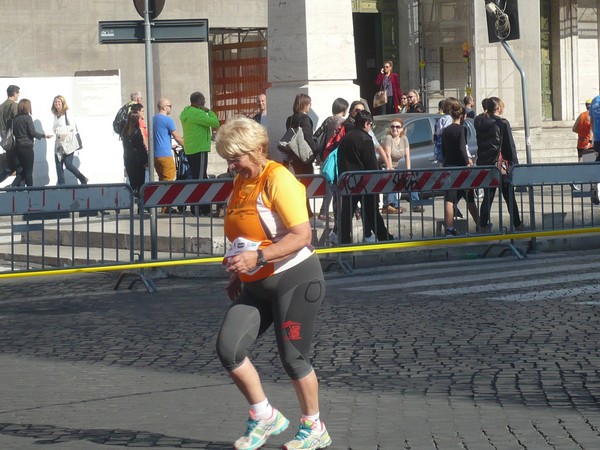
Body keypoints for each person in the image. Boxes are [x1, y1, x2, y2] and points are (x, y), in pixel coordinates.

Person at [214, 116, 332, 450]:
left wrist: (259, 259)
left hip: (295, 278)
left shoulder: (277, 178)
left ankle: (314, 427)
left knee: (294, 358)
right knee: (229, 348)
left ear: (257, 150)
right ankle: (264, 415)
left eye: (235, 158)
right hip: (256, 283)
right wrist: (240, 269)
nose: (232, 165)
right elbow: (248, 234)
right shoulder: (241, 181)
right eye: (228, 159)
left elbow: (303, 235)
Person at [337, 110, 393, 244]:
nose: (371, 128)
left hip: (348, 181)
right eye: (371, 125)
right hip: (365, 182)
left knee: (346, 213)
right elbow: (371, 164)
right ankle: (384, 237)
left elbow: (340, 159)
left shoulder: (346, 138)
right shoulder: (366, 139)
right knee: (372, 211)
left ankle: (344, 241)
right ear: (367, 124)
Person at [475, 97, 522, 232]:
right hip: (500, 165)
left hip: (484, 163)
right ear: (499, 108)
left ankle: (483, 225)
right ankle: (517, 224)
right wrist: (515, 165)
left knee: (488, 196)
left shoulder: (479, 122)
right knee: (509, 196)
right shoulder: (502, 123)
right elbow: (509, 146)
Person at [441, 100, 478, 236]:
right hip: (461, 169)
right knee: (470, 198)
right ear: (462, 116)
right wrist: (467, 162)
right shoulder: (462, 129)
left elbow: (444, 150)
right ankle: (479, 224)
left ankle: (449, 228)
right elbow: (462, 148)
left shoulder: (445, 131)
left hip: (449, 166)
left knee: (449, 199)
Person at [180, 91, 220, 216]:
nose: (204, 103)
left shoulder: (186, 112)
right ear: (198, 102)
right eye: (203, 101)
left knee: (197, 178)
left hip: (191, 149)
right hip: (200, 149)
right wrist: (209, 111)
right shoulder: (198, 113)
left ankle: (196, 206)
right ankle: (202, 208)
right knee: (202, 179)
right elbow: (215, 123)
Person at [381, 118, 423, 214]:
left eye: (397, 127)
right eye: (392, 126)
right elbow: (387, 155)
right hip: (385, 165)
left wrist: (408, 171)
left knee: (411, 178)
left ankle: (415, 204)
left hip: (395, 166)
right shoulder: (388, 138)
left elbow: (407, 156)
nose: (394, 129)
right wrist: (390, 168)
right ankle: (390, 205)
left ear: (401, 129)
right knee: (394, 178)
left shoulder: (404, 139)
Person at [317, 97, 348, 222]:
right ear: (344, 109)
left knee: (330, 183)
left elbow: (316, 135)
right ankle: (325, 211)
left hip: (326, 155)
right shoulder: (343, 122)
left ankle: (324, 211)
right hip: (337, 155)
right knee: (336, 183)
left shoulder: (328, 120)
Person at [153, 98, 185, 212]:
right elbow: (176, 136)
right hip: (165, 155)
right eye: (169, 105)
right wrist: (186, 146)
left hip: (155, 155)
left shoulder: (153, 119)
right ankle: (167, 207)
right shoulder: (168, 120)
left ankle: (162, 206)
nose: (171, 107)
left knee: (162, 180)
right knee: (169, 180)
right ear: (163, 107)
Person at [12, 99, 52, 186]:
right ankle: (31, 190)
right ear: (27, 107)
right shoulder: (28, 118)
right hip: (27, 147)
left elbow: (14, 133)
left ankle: (12, 186)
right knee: (29, 172)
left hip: (18, 147)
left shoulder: (15, 119)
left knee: (22, 171)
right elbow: (32, 133)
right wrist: (43, 136)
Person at [51, 95, 88, 185]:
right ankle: (61, 183)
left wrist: (60, 131)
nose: (57, 103)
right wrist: (56, 131)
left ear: (63, 102)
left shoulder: (67, 112)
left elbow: (72, 126)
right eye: (55, 102)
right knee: (58, 162)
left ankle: (82, 178)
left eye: (59, 101)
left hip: (67, 142)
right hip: (59, 142)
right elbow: (55, 127)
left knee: (68, 164)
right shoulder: (56, 114)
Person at [284, 93, 317, 176]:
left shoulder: (290, 119)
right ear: (304, 105)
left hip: (293, 155)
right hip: (304, 155)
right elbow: (308, 137)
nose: (310, 105)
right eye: (309, 103)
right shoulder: (305, 118)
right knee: (308, 179)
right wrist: (316, 152)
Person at [121, 110, 147, 196]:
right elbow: (140, 147)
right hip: (137, 161)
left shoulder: (124, 131)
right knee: (141, 184)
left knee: (132, 182)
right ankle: (140, 205)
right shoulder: (136, 131)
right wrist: (145, 160)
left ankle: (126, 199)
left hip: (128, 159)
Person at [0, 85, 20, 183]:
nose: (18, 95)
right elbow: (17, 122)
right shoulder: (14, 105)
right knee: (20, 166)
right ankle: (18, 188)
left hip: (5, 140)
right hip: (14, 140)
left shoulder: (1, 106)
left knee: (10, 167)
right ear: (14, 93)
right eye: (18, 93)